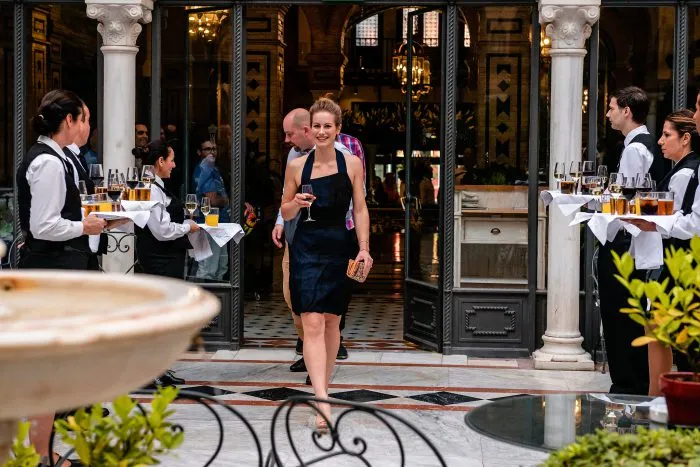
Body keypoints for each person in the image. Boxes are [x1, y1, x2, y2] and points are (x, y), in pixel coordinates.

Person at [17, 89, 107, 466]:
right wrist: (85, 227)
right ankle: (39, 455)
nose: (88, 126)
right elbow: (44, 225)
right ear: (69, 120)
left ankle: (40, 452)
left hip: (57, 269)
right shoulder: (48, 163)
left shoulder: (56, 157)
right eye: (84, 119)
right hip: (49, 272)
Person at [281, 97, 372, 433]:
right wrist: (295, 202)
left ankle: (324, 387)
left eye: (327, 126)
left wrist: (364, 249)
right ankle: (322, 401)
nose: (321, 132)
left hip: (339, 246)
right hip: (305, 247)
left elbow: (360, 208)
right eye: (316, 126)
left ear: (337, 129)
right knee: (312, 320)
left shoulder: (352, 164)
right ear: (310, 129)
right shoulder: (296, 166)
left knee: (332, 322)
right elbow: (285, 210)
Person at [272, 108, 356, 376]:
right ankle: (310, 346)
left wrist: (358, 242)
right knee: (296, 300)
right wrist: (280, 221)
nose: (287, 140)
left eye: (290, 134)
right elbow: (287, 197)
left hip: (336, 238)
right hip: (300, 238)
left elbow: (358, 200)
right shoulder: (294, 158)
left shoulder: (347, 155)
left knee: (329, 311)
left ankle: (319, 361)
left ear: (305, 130)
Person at [598, 86, 666, 395]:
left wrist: (595, 208)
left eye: (612, 108)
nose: (608, 114)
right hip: (638, 241)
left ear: (627, 111)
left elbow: (625, 203)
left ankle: (627, 385)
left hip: (626, 243)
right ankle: (634, 382)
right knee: (631, 313)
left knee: (619, 313)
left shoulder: (635, 149)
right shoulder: (647, 144)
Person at [629, 94, 700, 388]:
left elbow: (686, 221)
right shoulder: (683, 169)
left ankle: (657, 398)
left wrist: (652, 223)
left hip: (678, 260)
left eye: (667, 135)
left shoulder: (685, 173)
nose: (660, 141)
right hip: (676, 258)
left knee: (658, 330)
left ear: (685, 139)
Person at [134, 140, 200, 388]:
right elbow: (161, 230)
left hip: (166, 256)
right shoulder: (150, 189)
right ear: (160, 161)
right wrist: (187, 227)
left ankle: (159, 369)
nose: (173, 165)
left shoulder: (158, 187)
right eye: (171, 160)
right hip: (158, 256)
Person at [193, 138, 230, 281]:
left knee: (220, 267)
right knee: (208, 269)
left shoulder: (213, 168)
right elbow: (212, 200)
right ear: (199, 152)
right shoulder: (204, 169)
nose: (212, 152)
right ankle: (202, 295)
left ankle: (215, 295)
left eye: (214, 149)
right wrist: (227, 201)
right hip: (208, 224)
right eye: (207, 149)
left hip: (218, 223)